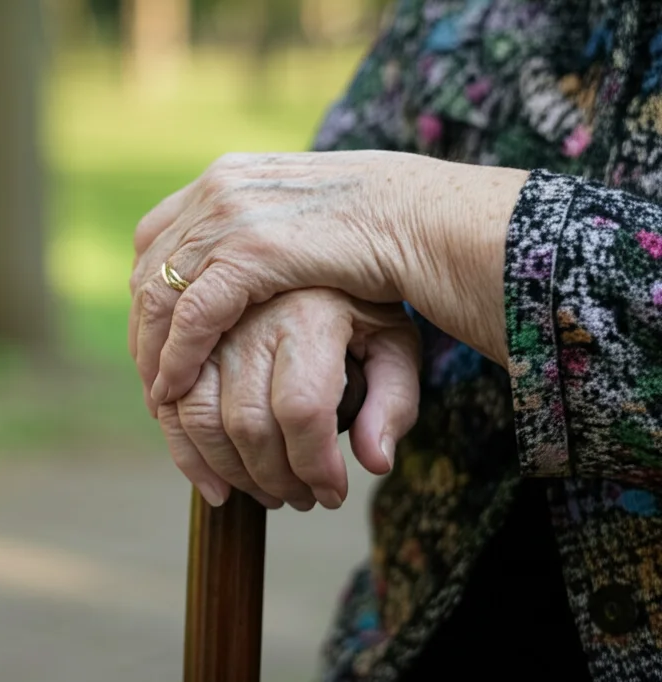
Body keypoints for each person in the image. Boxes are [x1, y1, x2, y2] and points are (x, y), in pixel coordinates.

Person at [127, 0, 662, 680]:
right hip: (404, 637)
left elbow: (355, 201)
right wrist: (294, 292)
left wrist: (396, 217)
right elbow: (319, 192)